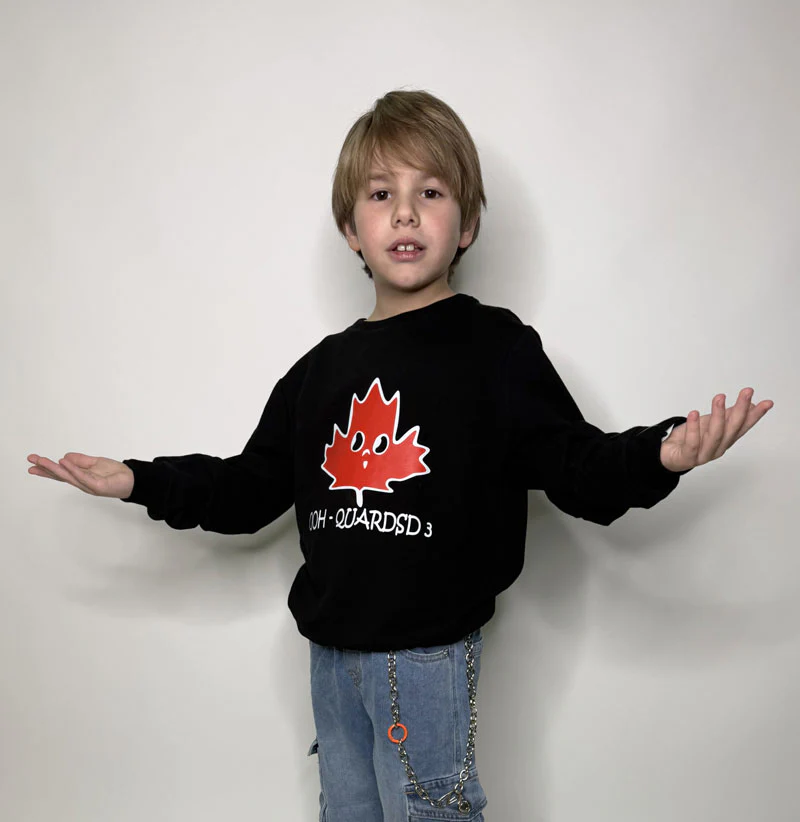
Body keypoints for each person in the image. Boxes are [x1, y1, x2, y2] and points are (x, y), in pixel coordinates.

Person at [27, 89, 773, 822]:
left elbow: (577, 467)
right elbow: (248, 488)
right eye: (381, 194)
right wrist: (140, 480)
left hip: (423, 657)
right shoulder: (319, 371)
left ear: (468, 224)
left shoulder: (495, 350)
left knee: (429, 814)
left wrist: (661, 454)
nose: (406, 213)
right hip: (329, 657)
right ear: (351, 229)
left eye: (431, 192)